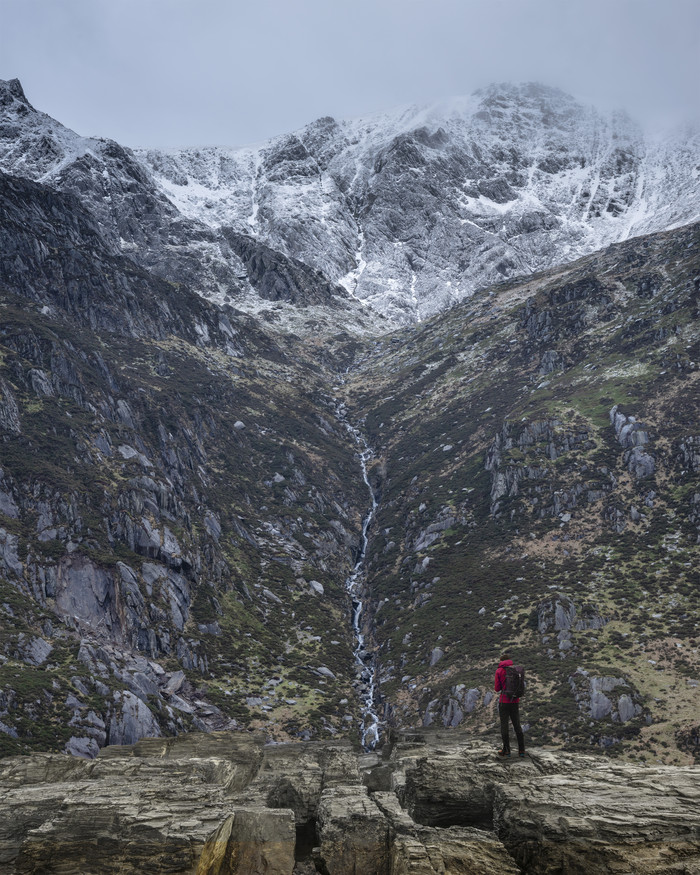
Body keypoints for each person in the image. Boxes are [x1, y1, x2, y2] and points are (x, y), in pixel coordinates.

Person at [494, 651, 525, 757]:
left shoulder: (499, 670)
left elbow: (497, 688)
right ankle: (521, 750)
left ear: (501, 661)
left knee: (504, 725)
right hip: (515, 701)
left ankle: (506, 751)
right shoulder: (515, 670)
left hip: (504, 701)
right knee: (517, 725)